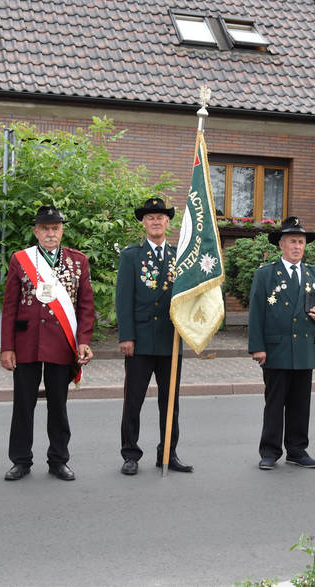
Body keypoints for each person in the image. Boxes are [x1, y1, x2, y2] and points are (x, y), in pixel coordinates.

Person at [1, 205, 94, 482]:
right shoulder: (21, 260)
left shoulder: (79, 261)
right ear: (36, 231)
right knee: (23, 405)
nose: (50, 233)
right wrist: (7, 347)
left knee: (58, 405)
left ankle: (58, 459)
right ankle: (20, 460)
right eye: (45, 228)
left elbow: (86, 306)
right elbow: (10, 305)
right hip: (26, 342)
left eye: (55, 228)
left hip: (61, 344)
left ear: (62, 230)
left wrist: (83, 342)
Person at [116, 198, 192, 475]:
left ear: (168, 222)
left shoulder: (180, 256)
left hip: (170, 340)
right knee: (133, 400)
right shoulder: (131, 256)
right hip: (140, 340)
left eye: (160, 217)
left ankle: (168, 453)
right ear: (144, 223)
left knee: (170, 401)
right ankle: (130, 454)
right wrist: (127, 336)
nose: (156, 221)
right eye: (150, 218)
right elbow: (123, 300)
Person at [248, 217, 315, 470]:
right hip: (276, 349)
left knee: (300, 403)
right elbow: (256, 312)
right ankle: (270, 451)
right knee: (274, 403)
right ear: (281, 245)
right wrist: (257, 347)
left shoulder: (314, 274)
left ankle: (297, 450)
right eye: (293, 241)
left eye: (301, 242)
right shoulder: (266, 274)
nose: (297, 246)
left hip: (305, 349)